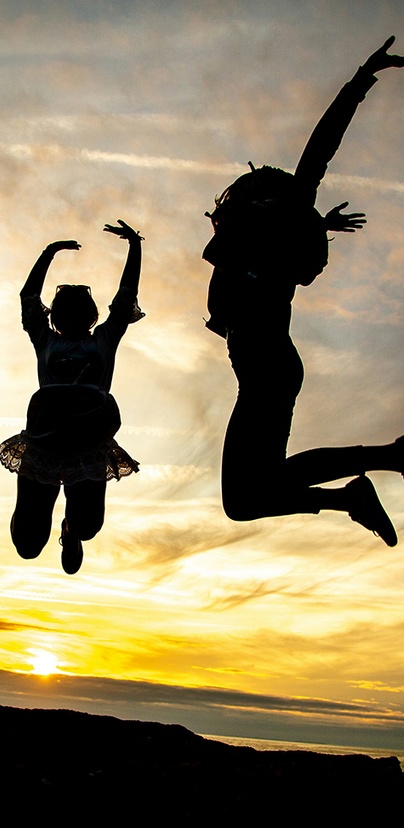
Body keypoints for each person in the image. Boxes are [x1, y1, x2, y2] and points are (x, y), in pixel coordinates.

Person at [204, 37, 404, 545]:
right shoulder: (256, 235)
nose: (246, 188)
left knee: (244, 497)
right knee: (245, 499)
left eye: (255, 186)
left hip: (267, 369)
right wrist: (317, 223)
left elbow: (320, 147)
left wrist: (361, 80)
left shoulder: (272, 217)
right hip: (267, 368)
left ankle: (388, 459)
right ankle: (357, 492)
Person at [0, 220, 144, 574]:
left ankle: (70, 529)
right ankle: (37, 519)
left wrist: (135, 245)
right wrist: (48, 253)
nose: (74, 313)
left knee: (87, 527)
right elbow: (28, 298)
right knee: (28, 546)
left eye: (81, 308)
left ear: (91, 315)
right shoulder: (45, 340)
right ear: (57, 315)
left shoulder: (105, 339)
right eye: (66, 308)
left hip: (88, 444)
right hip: (44, 443)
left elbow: (126, 295)